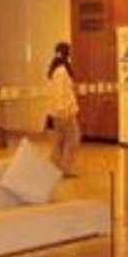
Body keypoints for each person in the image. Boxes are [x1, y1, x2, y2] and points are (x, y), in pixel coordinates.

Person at [46, 42, 80, 176]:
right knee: (73, 139)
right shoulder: (61, 71)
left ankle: (55, 166)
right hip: (64, 112)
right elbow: (60, 93)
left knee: (59, 140)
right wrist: (63, 111)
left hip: (59, 112)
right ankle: (66, 168)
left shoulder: (57, 70)